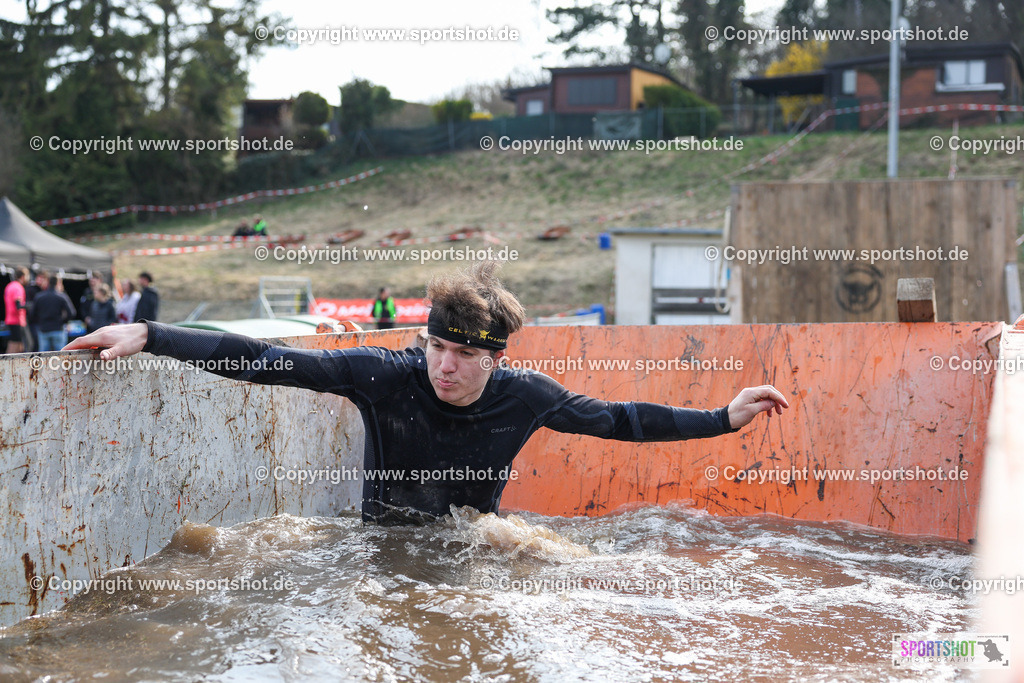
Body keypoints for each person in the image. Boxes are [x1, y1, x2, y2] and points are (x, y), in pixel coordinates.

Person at [66, 262, 789, 526]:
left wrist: (723, 419)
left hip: (476, 544)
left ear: (495, 358)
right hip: (382, 546)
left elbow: (621, 419)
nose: (444, 366)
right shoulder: (385, 374)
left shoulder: (526, 395)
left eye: (463, 355)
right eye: (435, 347)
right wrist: (155, 335)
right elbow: (272, 358)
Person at [32, 274, 76, 352]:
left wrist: (41, 321)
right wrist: (63, 321)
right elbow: (72, 313)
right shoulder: (61, 296)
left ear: (48, 282)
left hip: (44, 329)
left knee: (43, 358)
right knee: (60, 356)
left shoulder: (39, 296)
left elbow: (32, 314)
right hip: (58, 329)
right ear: (57, 283)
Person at [3, 267, 29, 353]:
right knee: (15, 345)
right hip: (17, 321)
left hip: (11, 319)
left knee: (19, 346)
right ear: (22, 277)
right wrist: (30, 306)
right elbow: (18, 305)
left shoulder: (10, 286)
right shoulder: (18, 287)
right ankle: (5, 365)